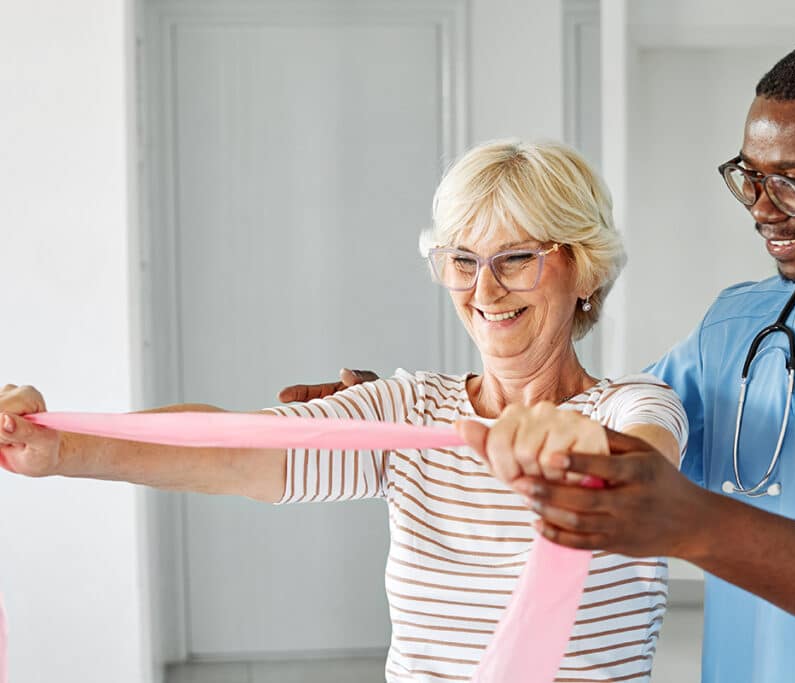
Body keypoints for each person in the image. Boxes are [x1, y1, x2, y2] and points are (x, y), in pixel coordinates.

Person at [283, 33, 795, 683]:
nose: (763, 207)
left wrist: (686, 521)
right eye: (750, 176)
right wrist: (409, 419)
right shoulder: (740, 326)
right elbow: (598, 432)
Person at [0, 140, 687, 681]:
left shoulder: (631, 406)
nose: (484, 290)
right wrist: (61, 448)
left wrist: (578, 451)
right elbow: (237, 448)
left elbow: (647, 469)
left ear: (584, 268)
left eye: (515, 258)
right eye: (462, 260)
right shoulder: (414, 409)